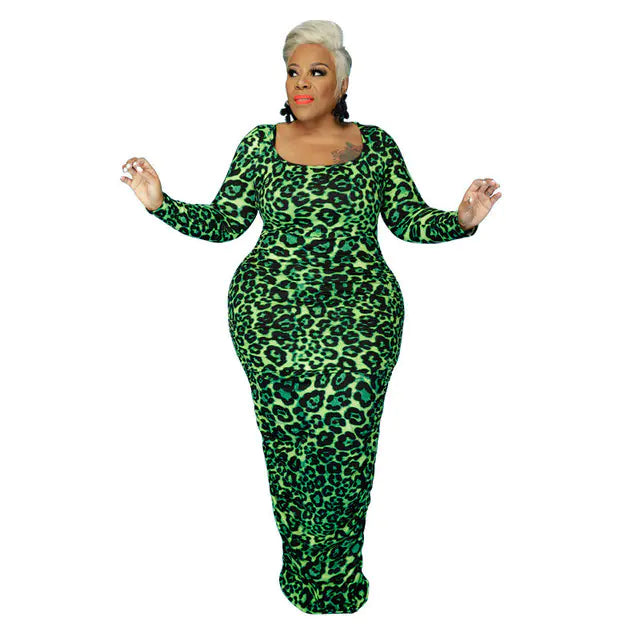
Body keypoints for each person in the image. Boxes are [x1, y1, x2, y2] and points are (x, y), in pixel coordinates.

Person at [120, 19, 502, 615]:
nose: (301, 83)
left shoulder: (374, 146)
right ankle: (302, 575)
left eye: (316, 71)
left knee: (350, 444)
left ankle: (341, 577)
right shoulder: (259, 143)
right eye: (292, 71)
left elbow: (408, 220)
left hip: (362, 318)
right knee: (290, 446)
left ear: (343, 82)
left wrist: (460, 220)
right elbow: (225, 222)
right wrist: (160, 205)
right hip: (270, 319)